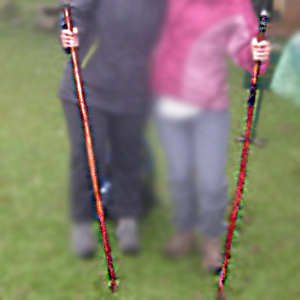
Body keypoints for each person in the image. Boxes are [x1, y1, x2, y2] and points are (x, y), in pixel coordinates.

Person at [151, 0, 271, 273]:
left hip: (209, 104)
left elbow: (245, 47)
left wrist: (255, 54)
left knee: (211, 182)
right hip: (168, 100)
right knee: (179, 174)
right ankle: (183, 230)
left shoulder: (235, 5)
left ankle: (210, 239)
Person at [59, 0, 166, 258]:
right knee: (87, 154)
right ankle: (82, 223)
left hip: (135, 90)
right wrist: (70, 29)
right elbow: (77, 11)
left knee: (128, 155)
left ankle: (127, 219)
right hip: (88, 86)